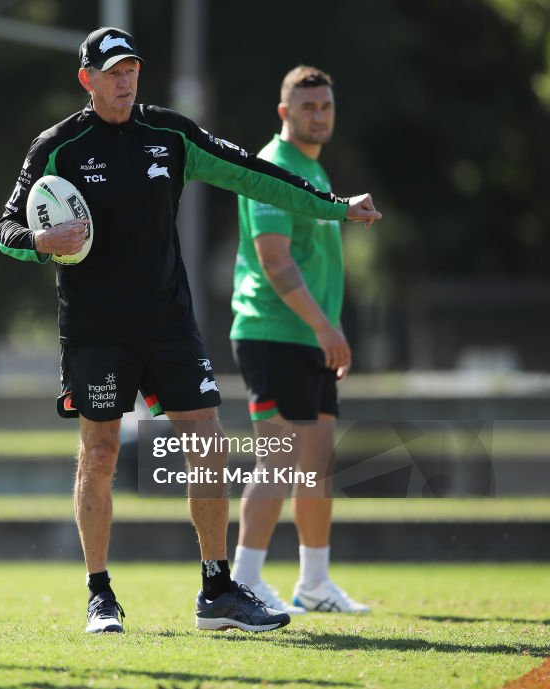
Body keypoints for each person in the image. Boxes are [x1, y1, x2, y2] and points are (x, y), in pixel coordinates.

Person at [0, 28, 381, 634]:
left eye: (132, 71)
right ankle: (100, 594)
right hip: (96, 330)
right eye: (113, 72)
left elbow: (253, 173)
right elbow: (6, 230)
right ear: (87, 79)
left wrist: (336, 206)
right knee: (97, 454)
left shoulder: (170, 134)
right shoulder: (57, 146)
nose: (125, 82)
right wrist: (41, 242)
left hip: (169, 322)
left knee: (208, 442)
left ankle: (217, 589)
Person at [229, 65, 370, 615]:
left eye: (326, 107)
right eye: (308, 107)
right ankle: (243, 580)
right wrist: (324, 326)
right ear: (285, 112)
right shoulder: (272, 167)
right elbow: (274, 261)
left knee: (315, 465)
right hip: (274, 333)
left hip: (310, 337)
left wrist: (326, 332)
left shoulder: (314, 171)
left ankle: (314, 583)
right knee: (280, 462)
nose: (320, 115)